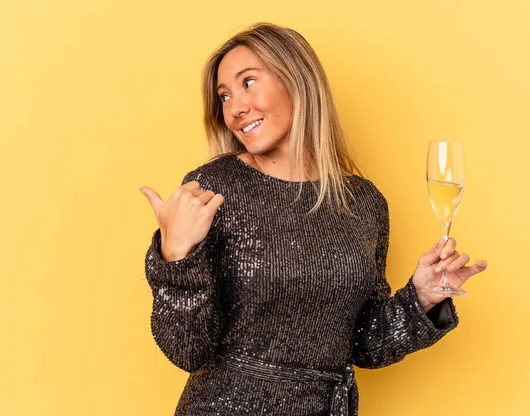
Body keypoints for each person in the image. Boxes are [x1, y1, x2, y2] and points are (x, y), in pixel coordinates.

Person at [140, 22, 488, 416]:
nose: (235, 108)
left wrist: (421, 299)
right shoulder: (213, 188)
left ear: (298, 80)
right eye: (224, 96)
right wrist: (175, 256)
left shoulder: (364, 203)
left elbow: (365, 346)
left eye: (248, 82)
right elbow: (186, 350)